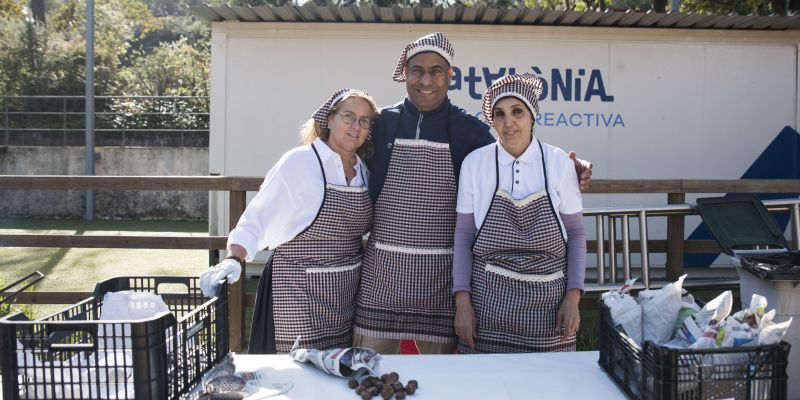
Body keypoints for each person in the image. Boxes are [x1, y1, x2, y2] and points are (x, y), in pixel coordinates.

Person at [353, 32, 592, 355]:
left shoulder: (470, 132)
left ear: (450, 76)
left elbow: (515, 149)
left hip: (437, 283)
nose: (426, 80)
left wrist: (571, 167)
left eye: (436, 70)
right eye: (417, 70)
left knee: (436, 384)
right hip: (381, 279)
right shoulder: (381, 123)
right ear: (404, 74)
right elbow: (341, 152)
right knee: (370, 373)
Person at [199, 88, 378, 354]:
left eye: (364, 121)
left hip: (344, 296)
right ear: (329, 119)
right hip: (297, 291)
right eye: (349, 116)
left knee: (333, 374)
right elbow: (258, 216)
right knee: (298, 373)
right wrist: (234, 257)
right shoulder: (300, 162)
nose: (356, 126)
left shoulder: (364, 171)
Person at [453, 73, 587, 353]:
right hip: (488, 305)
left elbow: (575, 234)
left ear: (532, 116)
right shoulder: (475, 164)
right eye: (499, 114)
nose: (508, 122)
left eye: (517, 112)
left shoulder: (558, 162)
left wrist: (573, 297)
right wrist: (462, 302)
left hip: (548, 308)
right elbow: (464, 236)